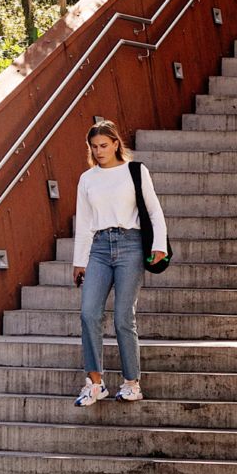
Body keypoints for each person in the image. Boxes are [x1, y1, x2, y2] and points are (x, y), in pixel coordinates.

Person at [71, 117, 168, 408]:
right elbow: (85, 223)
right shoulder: (87, 179)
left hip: (131, 246)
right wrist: (79, 261)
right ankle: (95, 384)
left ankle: (131, 383)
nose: (99, 151)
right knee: (89, 313)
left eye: (103, 145)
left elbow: (154, 211)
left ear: (116, 144)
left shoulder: (135, 171)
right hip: (99, 248)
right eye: (94, 147)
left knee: (123, 318)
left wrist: (159, 245)